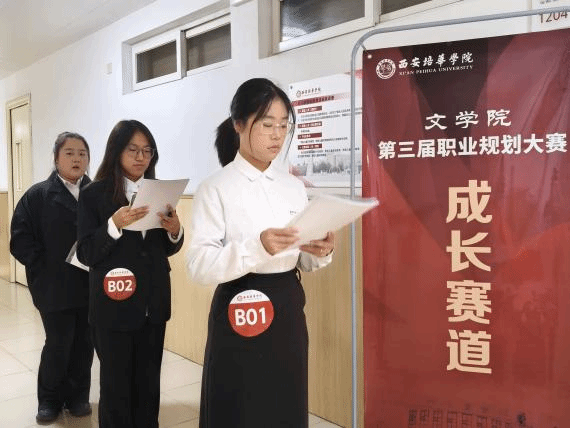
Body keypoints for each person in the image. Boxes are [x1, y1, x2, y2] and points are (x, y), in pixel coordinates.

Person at [187, 78, 335, 428]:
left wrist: (319, 251)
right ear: (239, 124)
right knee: (239, 403)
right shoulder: (215, 188)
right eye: (267, 124)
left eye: (284, 126)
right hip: (239, 302)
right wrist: (257, 247)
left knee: (285, 397)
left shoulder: (294, 187)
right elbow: (199, 266)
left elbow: (299, 258)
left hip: (286, 302)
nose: (277, 135)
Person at [76, 120, 183, 428]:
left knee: (149, 385)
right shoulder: (93, 194)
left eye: (147, 151)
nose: (141, 157)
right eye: (133, 149)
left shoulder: (160, 191)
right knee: (116, 387)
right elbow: (85, 253)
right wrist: (114, 225)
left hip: (153, 304)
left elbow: (164, 248)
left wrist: (175, 231)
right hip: (114, 304)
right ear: (117, 151)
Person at [10, 132, 94, 424]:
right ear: (56, 158)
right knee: (59, 342)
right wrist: (43, 266)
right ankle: (49, 400)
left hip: (89, 285)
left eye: (82, 153)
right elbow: (19, 240)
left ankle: (78, 397)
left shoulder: (98, 193)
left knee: (84, 343)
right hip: (54, 286)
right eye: (69, 153)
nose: (76, 159)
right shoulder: (37, 195)